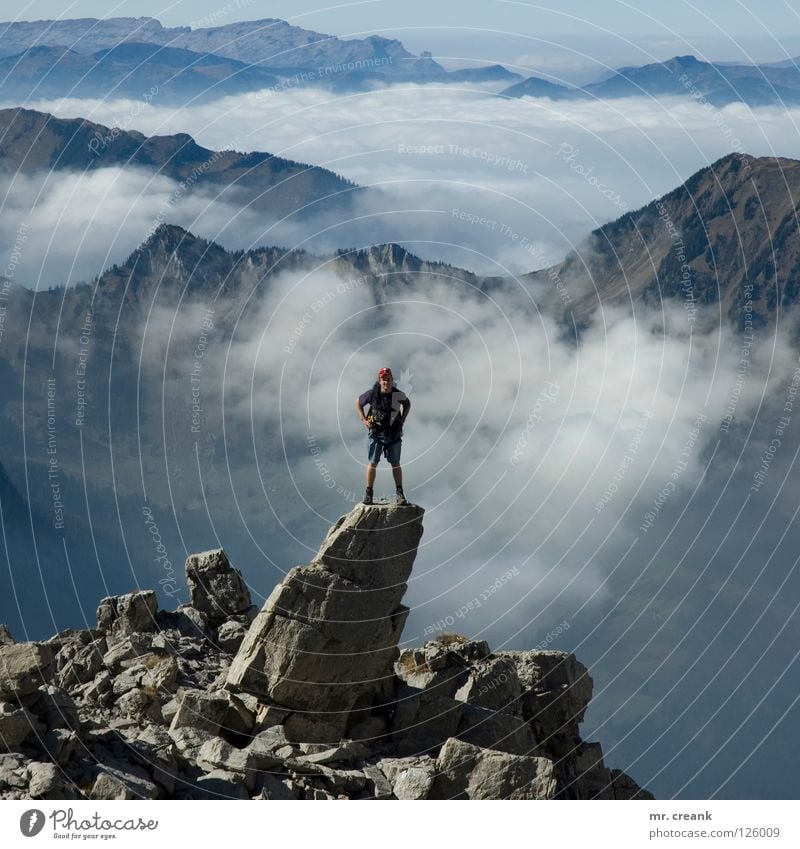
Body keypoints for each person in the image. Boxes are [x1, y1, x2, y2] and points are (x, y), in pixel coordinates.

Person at [355, 366, 411, 505]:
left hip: (394, 434)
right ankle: (368, 493)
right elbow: (358, 402)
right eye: (383, 379)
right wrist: (363, 420)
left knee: (395, 464)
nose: (386, 382)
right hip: (376, 433)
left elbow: (407, 404)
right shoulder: (372, 394)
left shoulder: (398, 394)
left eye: (388, 379)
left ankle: (400, 493)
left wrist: (402, 420)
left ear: (392, 380)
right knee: (373, 463)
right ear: (379, 381)